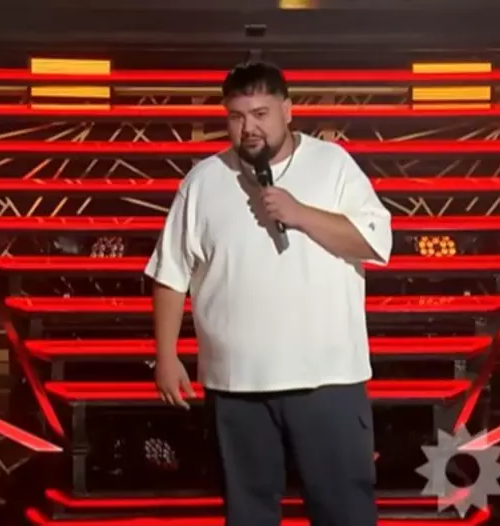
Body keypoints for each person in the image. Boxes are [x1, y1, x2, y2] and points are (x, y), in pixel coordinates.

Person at [144, 61, 393, 526]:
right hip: (236, 386)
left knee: (344, 512)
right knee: (247, 515)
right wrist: (166, 354)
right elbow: (171, 272)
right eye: (237, 117)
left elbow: (376, 243)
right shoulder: (203, 181)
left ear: (288, 110)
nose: (249, 128)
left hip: (328, 381)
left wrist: (300, 213)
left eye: (260, 114)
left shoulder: (333, 165)